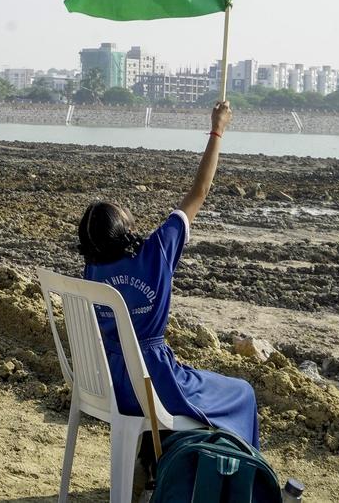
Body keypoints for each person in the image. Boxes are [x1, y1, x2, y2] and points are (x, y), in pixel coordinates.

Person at [77, 101, 260, 448]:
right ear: (123, 229)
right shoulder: (156, 251)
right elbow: (199, 193)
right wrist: (217, 129)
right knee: (243, 392)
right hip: (155, 386)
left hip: (110, 386)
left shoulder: (92, 268)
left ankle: (150, 458)